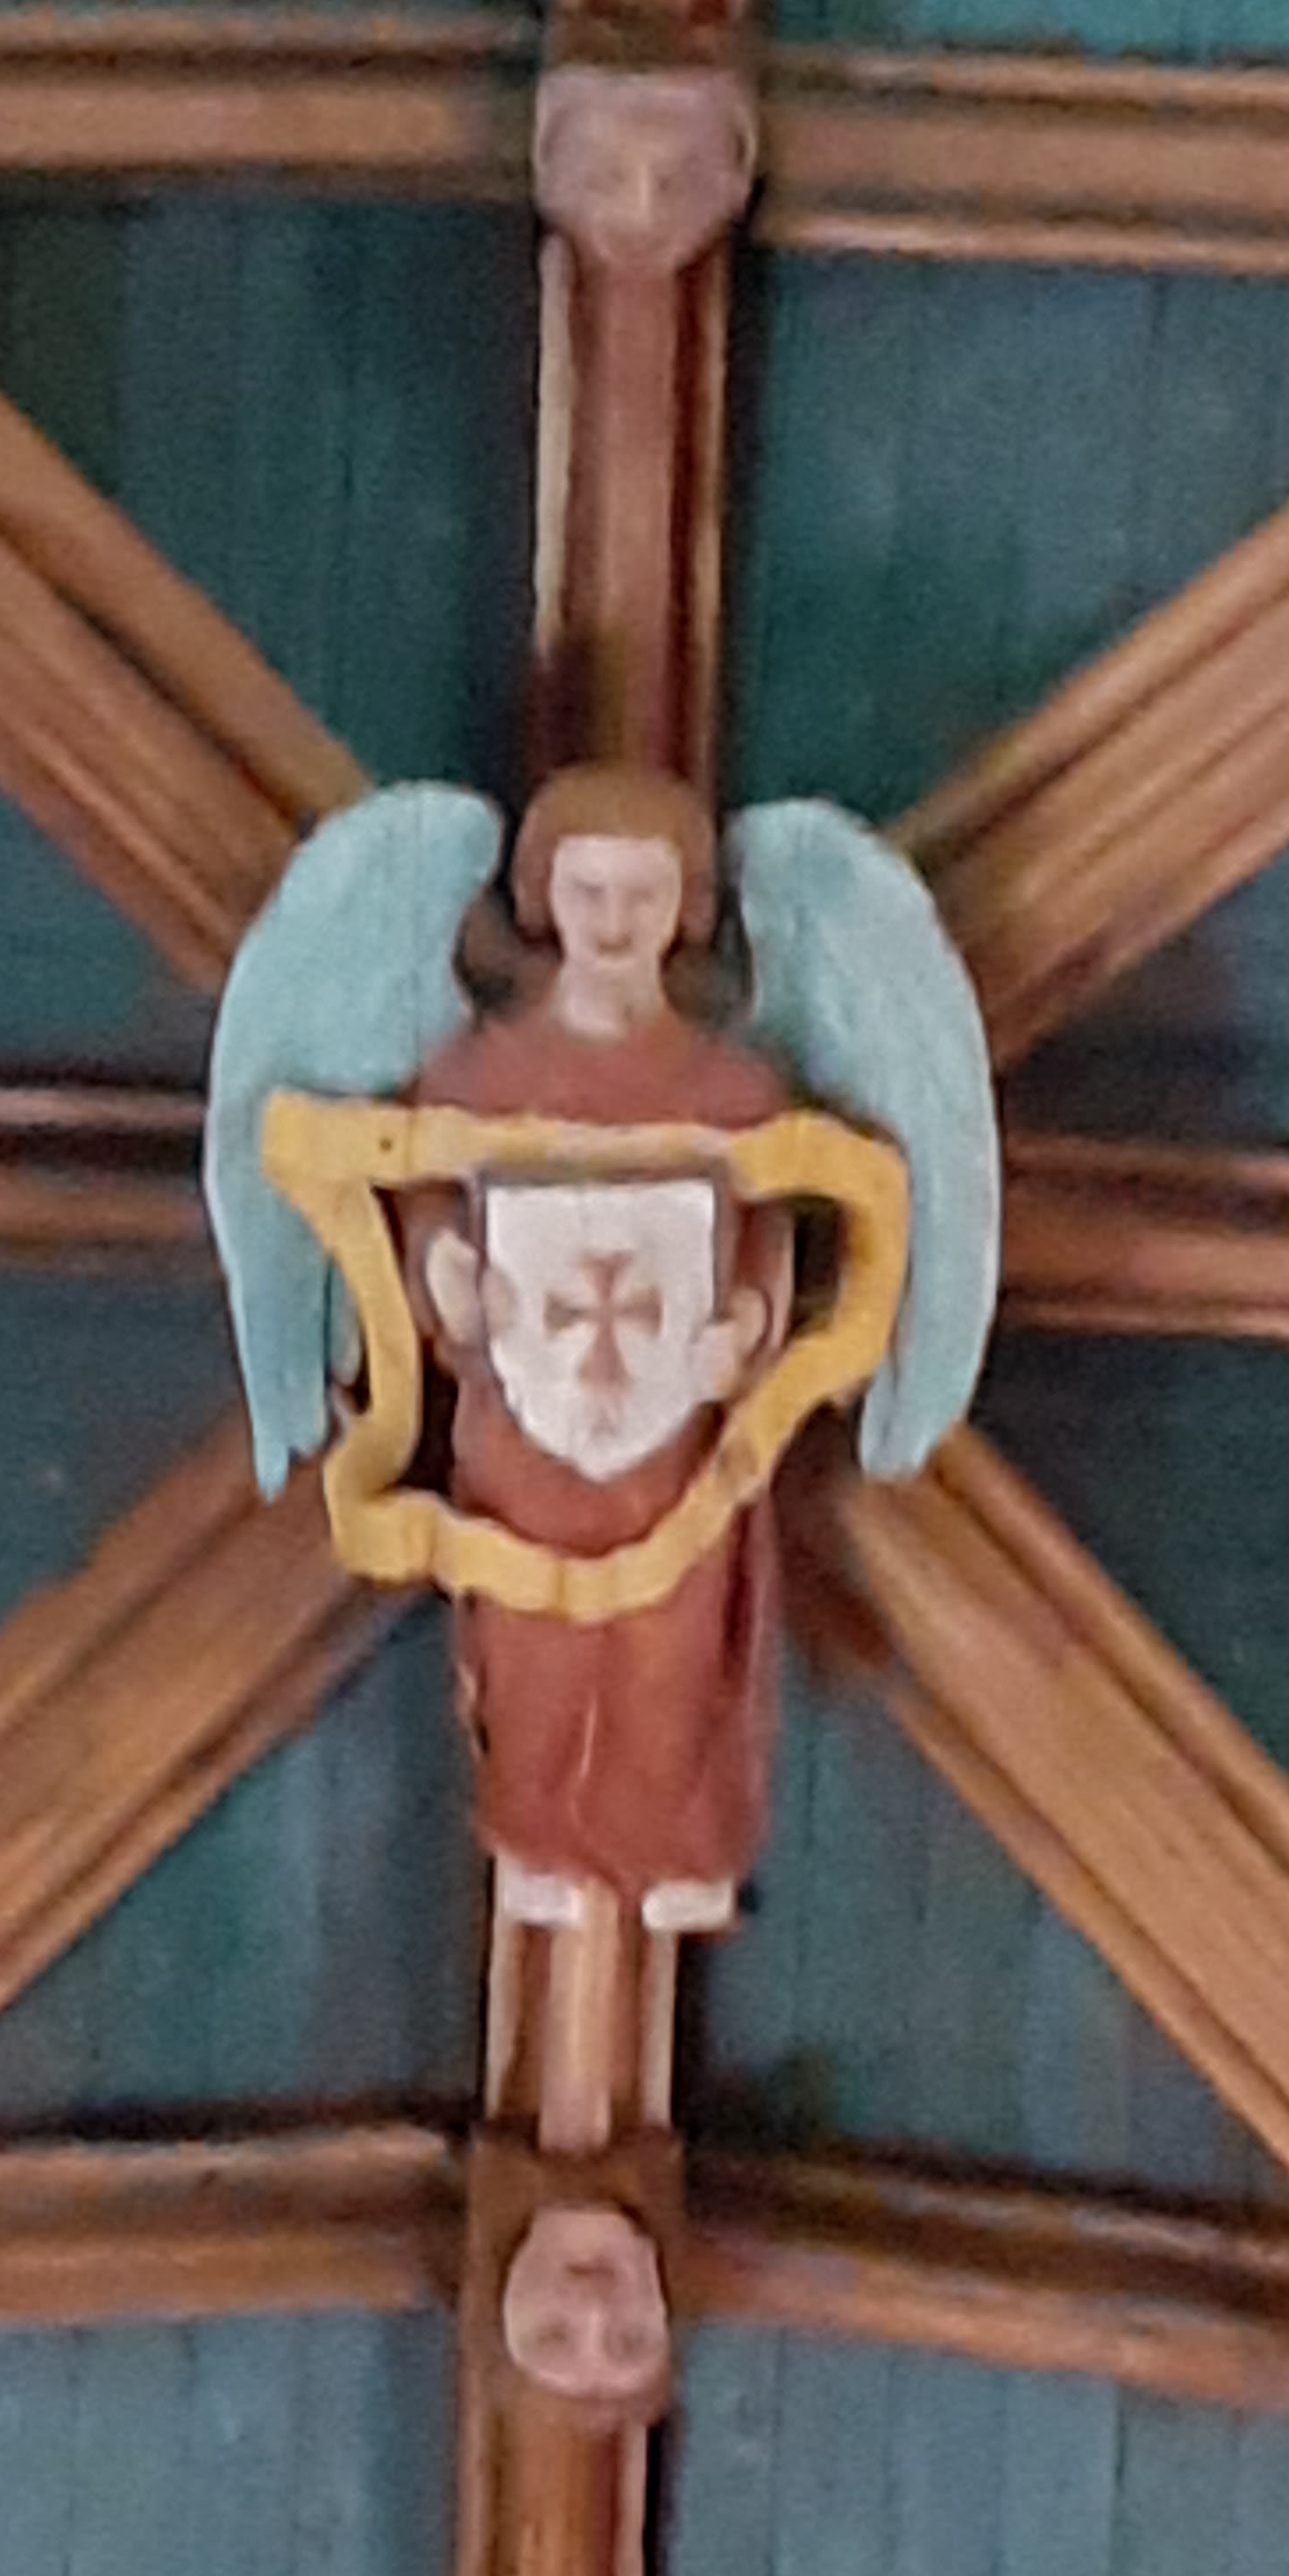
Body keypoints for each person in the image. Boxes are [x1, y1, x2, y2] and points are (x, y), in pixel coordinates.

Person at [410, 764, 793, 1935]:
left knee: (672, 1643)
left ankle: (673, 1842)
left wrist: (747, 1324)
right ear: (544, 898)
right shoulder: (479, 1077)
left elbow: (768, 1233)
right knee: (535, 1642)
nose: (614, 920)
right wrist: (446, 1271)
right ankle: (539, 1832)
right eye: (588, 889)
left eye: (642, 892)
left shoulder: (733, 1090)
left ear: (685, 907)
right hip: (529, 1430)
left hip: (672, 1442)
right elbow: (424, 1204)